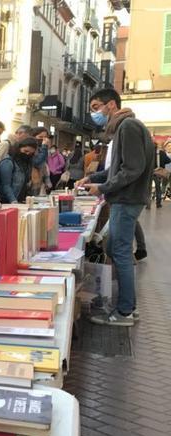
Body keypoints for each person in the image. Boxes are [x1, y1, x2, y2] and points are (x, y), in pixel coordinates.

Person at [76, 88, 154, 327]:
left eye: (96, 107)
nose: (94, 113)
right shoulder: (125, 127)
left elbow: (132, 169)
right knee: (113, 247)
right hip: (125, 198)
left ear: (111, 105)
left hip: (127, 199)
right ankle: (127, 305)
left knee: (119, 251)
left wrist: (104, 187)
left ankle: (125, 311)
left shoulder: (128, 127)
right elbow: (116, 169)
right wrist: (93, 179)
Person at [0, 137, 40, 204]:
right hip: (7, 201)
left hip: (20, 199)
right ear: (19, 148)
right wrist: (13, 201)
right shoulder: (8, 162)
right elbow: (5, 185)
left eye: (31, 153)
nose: (27, 154)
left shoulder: (26, 163)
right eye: (25, 151)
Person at [27, 127, 53, 196]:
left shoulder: (42, 149)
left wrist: (47, 180)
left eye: (45, 137)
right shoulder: (31, 148)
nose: (43, 139)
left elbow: (44, 164)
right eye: (40, 137)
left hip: (40, 180)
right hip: (31, 181)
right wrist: (44, 147)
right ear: (34, 137)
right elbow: (36, 162)